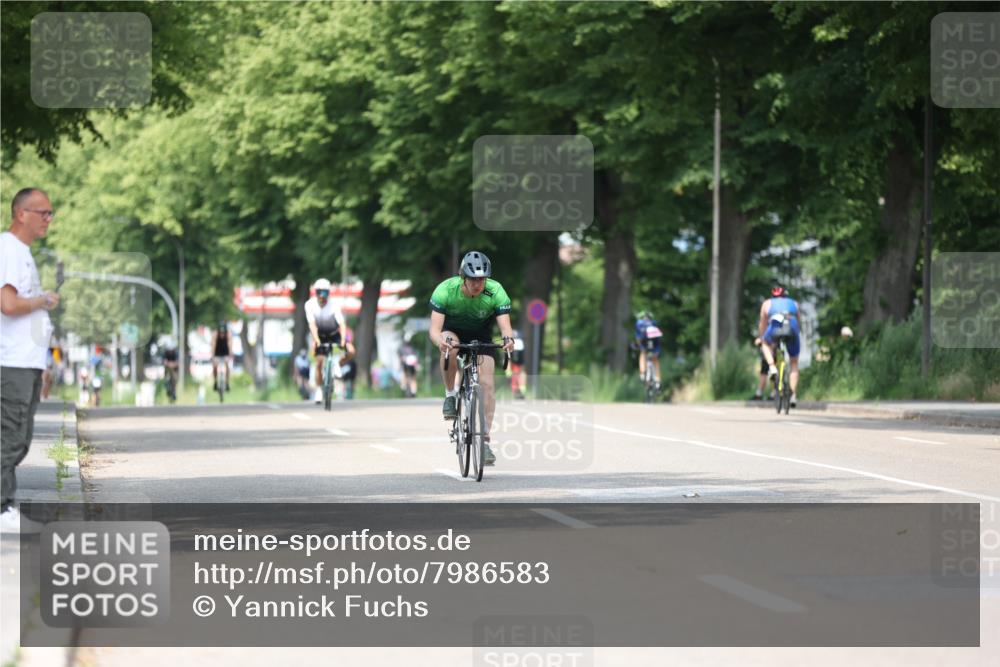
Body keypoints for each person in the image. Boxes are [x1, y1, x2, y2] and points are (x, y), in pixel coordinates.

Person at [1, 187, 59, 532]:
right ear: (21, 213)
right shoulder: (8, 249)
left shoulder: (21, 252)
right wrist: (42, 300)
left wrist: (44, 365)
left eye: (51, 214)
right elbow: (8, 304)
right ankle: (2, 508)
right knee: (10, 436)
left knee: (20, 438)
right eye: (43, 213)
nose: (48, 220)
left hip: (27, 361)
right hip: (12, 362)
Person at [429, 250, 515, 466]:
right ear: (463, 277)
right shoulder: (445, 290)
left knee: (486, 384)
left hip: (481, 336)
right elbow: (434, 330)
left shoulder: (496, 291)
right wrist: (441, 342)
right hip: (452, 332)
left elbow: (506, 327)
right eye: (473, 279)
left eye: (481, 279)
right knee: (449, 348)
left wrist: (508, 340)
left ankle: (484, 441)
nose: (478, 284)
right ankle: (450, 395)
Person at [755, 285, 801, 407]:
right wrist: (797, 333)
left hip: (775, 328)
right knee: (794, 363)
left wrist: (761, 337)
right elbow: (799, 321)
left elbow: (763, 324)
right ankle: (793, 396)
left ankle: (772, 367)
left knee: (765, 343)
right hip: (791, 328)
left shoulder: (767, 304)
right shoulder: (794, 303)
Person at [304, 278, 346, 404]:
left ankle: (337, 363)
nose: (322, 296)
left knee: (351, 351)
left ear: (328, 293)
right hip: (319, 335)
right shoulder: (309, 305)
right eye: (319, 292)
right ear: (315, 293)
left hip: (333, 333)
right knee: (318, 363)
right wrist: (316, 340)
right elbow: (312, 325)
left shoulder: (335, 304)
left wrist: (343, 339)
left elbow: (342, 323)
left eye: (325, 293)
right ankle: (319, 389)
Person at [634, 311, 663, 390]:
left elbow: (638, 338)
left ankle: (643, 374)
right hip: (655, 343)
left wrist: (638, 346)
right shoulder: (654, 323)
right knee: (655, 359)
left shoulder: (639, 323)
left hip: (644, 342)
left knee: (643, 353)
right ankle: (658, 381)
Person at [210, 321, 233, 393]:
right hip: (217, 352)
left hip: (225, 352)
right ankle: (216, 382)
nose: (222, 334)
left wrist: (230, 354)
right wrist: (212, 355)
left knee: (227, 365)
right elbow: (213, 345)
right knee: (215, 366)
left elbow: (230, 345)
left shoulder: (228, 334)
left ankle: (227, 383)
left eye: (223, 332)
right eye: (221, 332)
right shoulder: (215, 334)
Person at [399, 332, 420, 398]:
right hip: (409, 365)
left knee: (407, 377)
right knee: (411, 378)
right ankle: (411, 391)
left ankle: (405, 389)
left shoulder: (402, 348)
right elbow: (416, 357)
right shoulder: (412, 348)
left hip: (408, 365)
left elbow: (401, 358)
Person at [508, 329, 526, 399]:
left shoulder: (518, 343)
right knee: (516, 374)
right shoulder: (519, 342)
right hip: (514, 363)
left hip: (513, 346)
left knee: (517, 373)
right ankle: (518, 391)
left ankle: (519, 391)